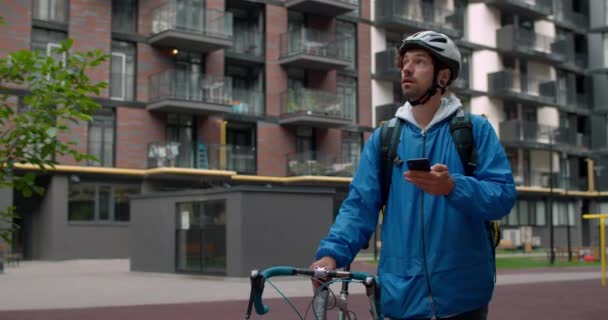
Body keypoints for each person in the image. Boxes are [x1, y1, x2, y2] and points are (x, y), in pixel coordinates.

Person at [310, 31, 517, 320]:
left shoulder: (474, 131)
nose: (406, 68)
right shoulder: (384, 138)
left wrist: (453, 186)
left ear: (443, 77)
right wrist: (332, 254)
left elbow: (503, 197)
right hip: (400, 299)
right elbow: (360, 206)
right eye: (405, 61)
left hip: (463, 300)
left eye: (419, 61)